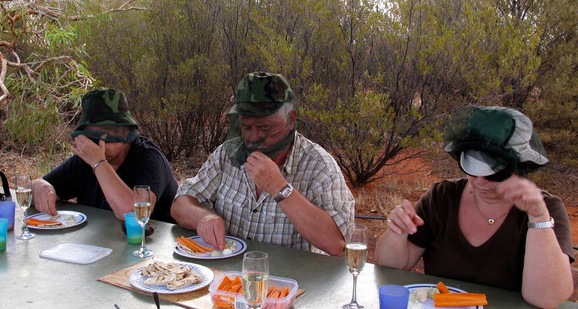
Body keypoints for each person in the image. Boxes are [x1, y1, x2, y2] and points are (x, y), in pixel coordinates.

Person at [374, 105, 574, 309]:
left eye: (493, 172)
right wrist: (397, 231)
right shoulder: (443, 197)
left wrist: (539, 218)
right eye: (472, 167)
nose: (479, 182)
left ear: (520, 165)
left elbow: (547, 298)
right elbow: (391, 268)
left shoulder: (546, 209)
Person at [171, 72, 354, 255]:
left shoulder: (319, 167)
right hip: (228, 276)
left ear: (291, 119)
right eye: (246, 127)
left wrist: (279, 187)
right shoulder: (228, 154)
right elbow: (180, 204)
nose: (254, 137)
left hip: (292, 280)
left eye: (265, 127)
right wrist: (203, 217)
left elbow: (336, 244)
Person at [32, 89, 178, 222]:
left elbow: (134, 213)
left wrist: (99, 163)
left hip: (150, 244)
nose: (98, 142)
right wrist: (40, 186)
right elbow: (42, 186)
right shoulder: (85, 160)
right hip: (101, 244)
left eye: (107, 133)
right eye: (92, 135)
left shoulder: (148, 158)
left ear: (125, 132)